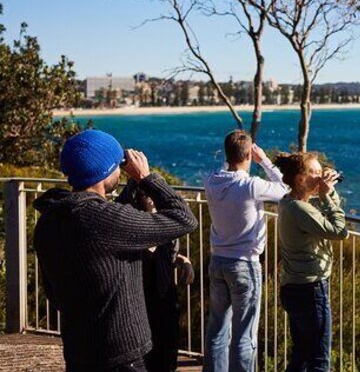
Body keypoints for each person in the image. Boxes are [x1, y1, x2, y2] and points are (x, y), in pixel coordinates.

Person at [33, 129, 198, 372]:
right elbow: (185, 219)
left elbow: (54, 294)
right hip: (120, 354)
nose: (121, 171)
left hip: (78, 350)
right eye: (118, 165)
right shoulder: (106, 219)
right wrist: (146, 177)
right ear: (105, 171)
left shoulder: (48, 221)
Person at [203, 130, 291, 372]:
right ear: (249, 155)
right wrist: (265, 161)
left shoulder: (211, 181)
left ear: (227, 154)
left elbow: (227, 167)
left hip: (218, 262)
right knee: (244, 335)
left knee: (217, 330)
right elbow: (286, 188)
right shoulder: (251, 185)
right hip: (245, 264)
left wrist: (239, 153)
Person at [275, 152, 348, 372]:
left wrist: (329, 192)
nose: (320, 178)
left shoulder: (290, 203)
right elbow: (339, 231)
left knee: (302, 355)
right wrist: (326, 196)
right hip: (310, 289)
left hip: (294, 286)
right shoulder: (300, 209)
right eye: (315, 173)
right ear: (300, 179)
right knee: (319, 359)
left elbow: (323, 208)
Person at [118, 182, 196, 372]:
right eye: (146, 194)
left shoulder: (166, 224)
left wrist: (183, 261)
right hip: (139, 301)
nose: (151, 198)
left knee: (167, 353)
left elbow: (168, 255)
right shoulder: (130, 225)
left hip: (164, 296)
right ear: (138, 197)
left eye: (153, 194)